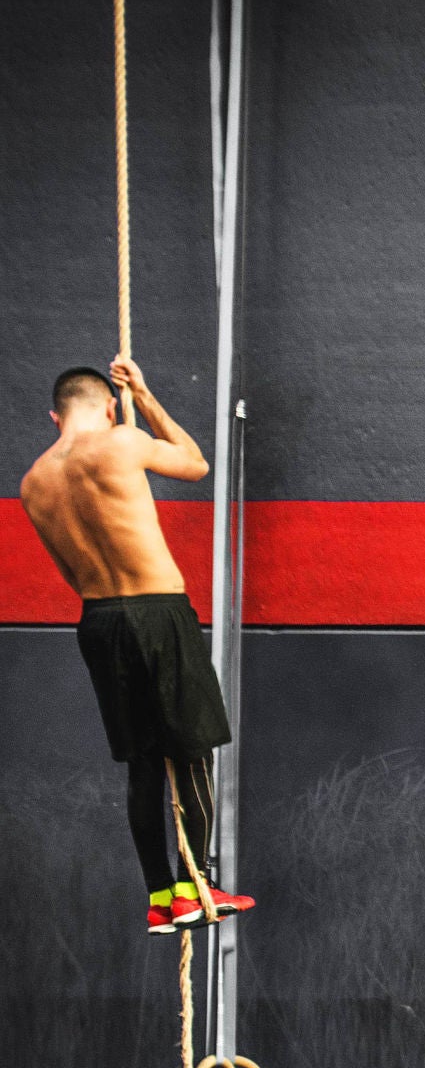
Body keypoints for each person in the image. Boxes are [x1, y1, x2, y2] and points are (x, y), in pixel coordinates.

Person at [20, 359, 255, 934]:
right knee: (193, 751)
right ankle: (198, 886)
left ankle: (160, 896)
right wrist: (145, 397)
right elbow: (195, 462)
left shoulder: (34, 482)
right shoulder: (122, 441)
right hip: (158, 612)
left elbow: (70, 573)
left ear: (56, 417)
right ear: (107, 405)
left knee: (143, 761)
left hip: (98, 621)